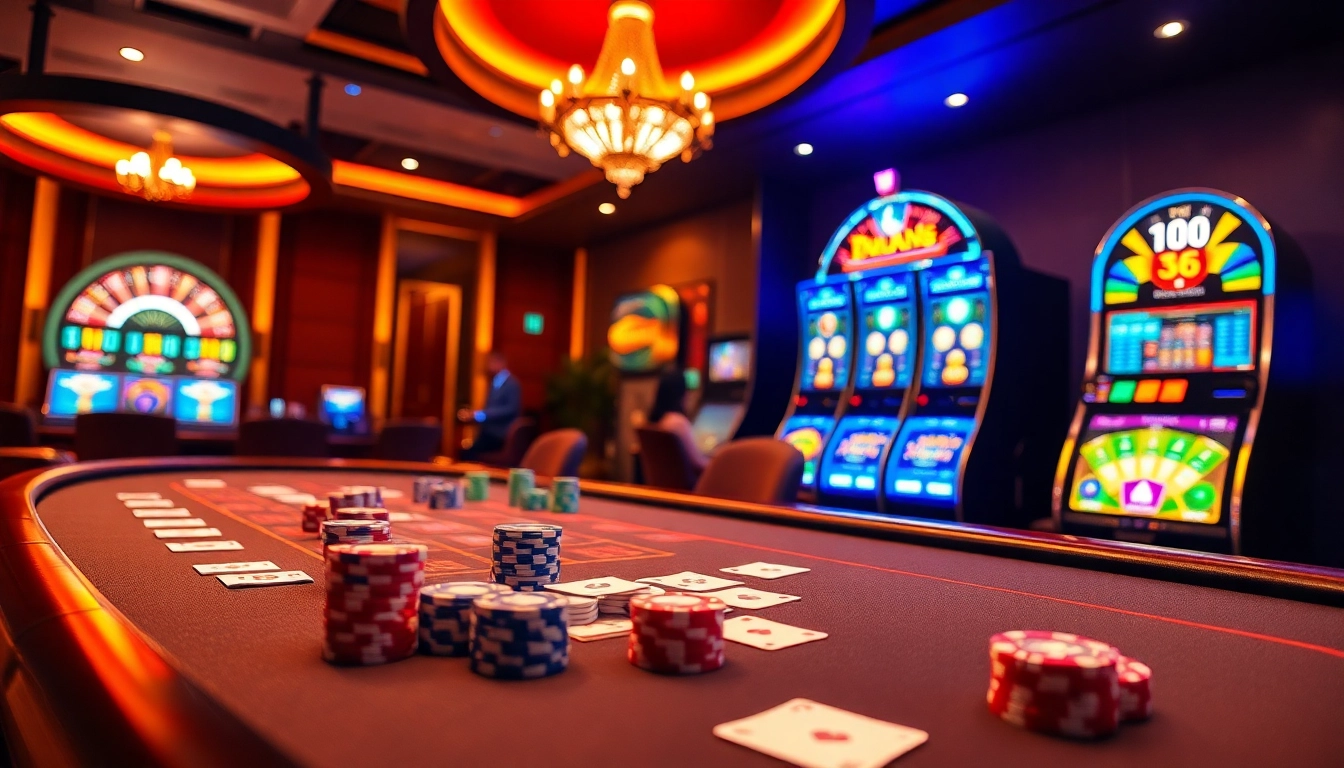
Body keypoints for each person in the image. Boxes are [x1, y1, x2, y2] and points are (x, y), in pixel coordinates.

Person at [643, 367, 709, 472]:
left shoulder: (661, 421)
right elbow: (697, 463)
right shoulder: (678, 422)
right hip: (690, 487)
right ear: (680, 392)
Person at [458, 351, 521, 460]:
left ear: (501, 363)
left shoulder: (512, 383)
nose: (488, 366)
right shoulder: (494, 382)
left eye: (491, 362)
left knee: (468, 454)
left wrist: (482, 414)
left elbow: (511, 409)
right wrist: (476, 415)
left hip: (500, 434)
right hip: (488, 431)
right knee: (465, 451)